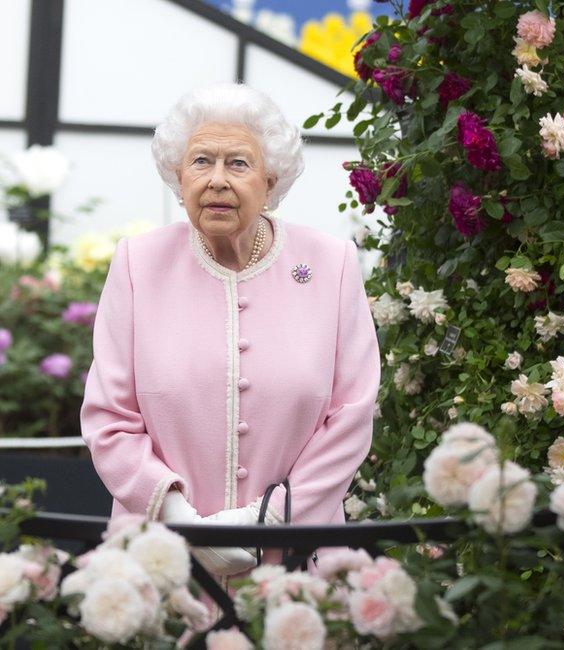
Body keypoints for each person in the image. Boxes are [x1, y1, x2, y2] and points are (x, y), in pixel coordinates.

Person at [79, 82, 380, 578]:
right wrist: (183, 524)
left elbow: (351, 418)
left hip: (297, 562)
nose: (217, 180)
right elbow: (110, 419)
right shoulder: (137, 264)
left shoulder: (332, 264)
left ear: (271, 178)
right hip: (164, 561)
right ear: (178, 176)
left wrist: (262, 523)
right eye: (201, 161)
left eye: (237, 163)